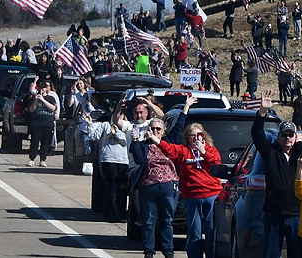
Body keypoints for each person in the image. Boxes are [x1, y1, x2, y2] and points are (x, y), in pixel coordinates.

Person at [129, 96, 193, 258]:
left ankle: (168, 251)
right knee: (149, 221)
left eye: (158, 129)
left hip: (168, 187)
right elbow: (138, 159)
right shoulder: (143, 146)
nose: (156, 131)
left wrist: (186, 107)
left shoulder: (169, 142)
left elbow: (179, 126)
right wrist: (135, 140)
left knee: (166, 220)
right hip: (148, 186)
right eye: (153, 129)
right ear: (148, 131)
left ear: (163, 131)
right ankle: (149, 251)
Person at [149, 120, 223, 258]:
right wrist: (156, 140)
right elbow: (170, 149)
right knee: (194, 231)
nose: (195, 138)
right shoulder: (184, 151)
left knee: (211, 229)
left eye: (198, 134)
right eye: (191, 135)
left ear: (204, 136)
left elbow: (216, 164)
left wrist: (204, 152)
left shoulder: (211, 150)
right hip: (192, 196)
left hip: (211, 195)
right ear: (187, 137)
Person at [253, 95, 302, 258]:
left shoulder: (300, 154)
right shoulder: (270, 152)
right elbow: (257, 135)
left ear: (296, 137)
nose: (287, 139)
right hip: (274, 213)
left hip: (296, 214)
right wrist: (262, 112)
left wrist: (300, 144)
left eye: (291, 135)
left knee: (296, 253)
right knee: (271, 253)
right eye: (284, 135)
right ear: (278, 137)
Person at [82, 103, 132, 223]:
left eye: (121, 114)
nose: (119, 116)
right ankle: (111, 214)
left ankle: (121, 213)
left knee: (121, 188)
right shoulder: (105, 125)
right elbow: (94, 136)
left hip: (123, 161)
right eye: (117, 114)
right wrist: (89, 124)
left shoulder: (128, 127)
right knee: (111, 187)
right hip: (108, 160)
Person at [26, 80, 59, 167]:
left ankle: (43, 159)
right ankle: (31, 159)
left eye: (44, 88)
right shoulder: (33, 98)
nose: (42, 89)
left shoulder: (51, 98)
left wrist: (43, 100)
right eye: (41, 88)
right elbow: (31, 110)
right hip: (36, 123)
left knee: (45, 143)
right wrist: (36, 100)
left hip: (48, 123)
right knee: (34, 142)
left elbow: (52, 108)